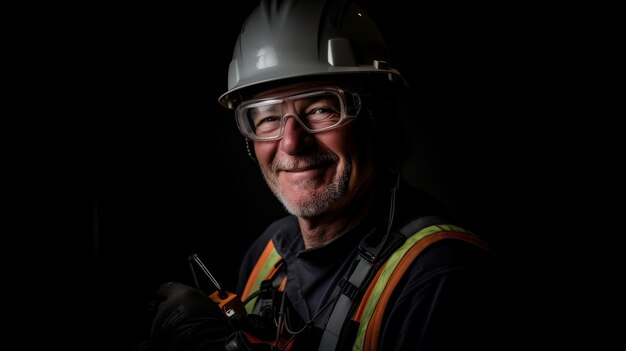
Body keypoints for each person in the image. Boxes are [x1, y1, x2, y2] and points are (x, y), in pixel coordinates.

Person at [138, 0, 507, 350]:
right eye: (267, 117)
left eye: (319, 109)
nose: (291, 142)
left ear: (375, 117)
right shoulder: (268, 254)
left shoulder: (440, 281)